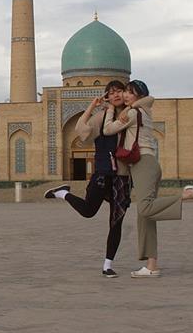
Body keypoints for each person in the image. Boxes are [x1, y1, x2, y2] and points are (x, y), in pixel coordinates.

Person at [103, 80, 193, 278]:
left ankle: (188, 194)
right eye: (125, 92)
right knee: (146, 216)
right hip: (148, 164)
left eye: (130, 93)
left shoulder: (132, 113)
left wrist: (111, 109)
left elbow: (107, 130)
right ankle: (151, 266)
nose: (126, 96)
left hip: (143, 163)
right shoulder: (143, 110)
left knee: (144, 208)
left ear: (138, 95)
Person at [44, 81, 132, 277]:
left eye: (119, 91)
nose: (116, 94)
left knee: (116, 221)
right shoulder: (100, 117)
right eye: (111, 92)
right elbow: (81, 130)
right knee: (88, 211)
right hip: (103, 172)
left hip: (122, 177)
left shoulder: (132, 113)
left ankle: (107, 265)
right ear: (107, 97)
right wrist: (93, 105)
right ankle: (63, 193)